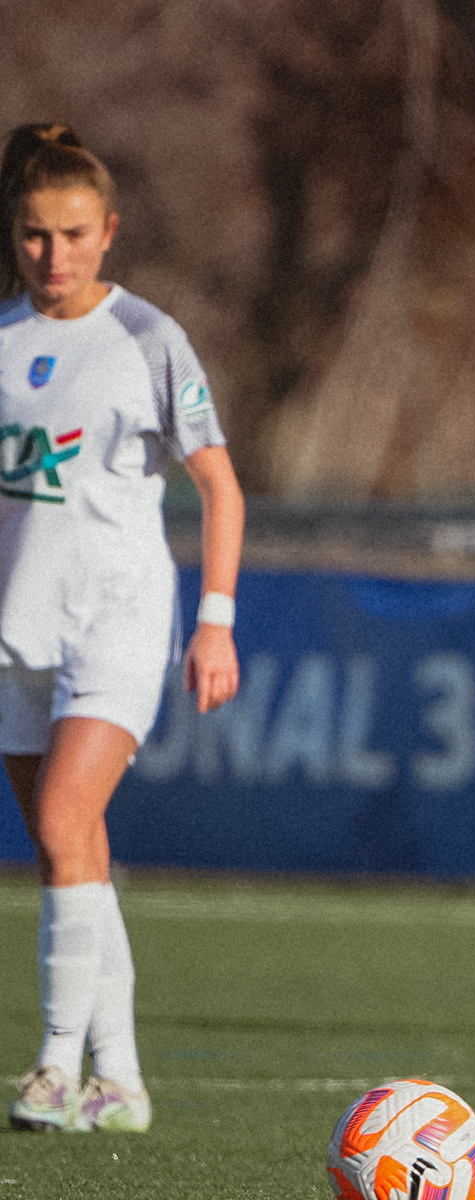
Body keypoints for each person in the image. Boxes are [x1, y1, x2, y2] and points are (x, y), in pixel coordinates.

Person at [1, 124, 243, 1134]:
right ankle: (124, 1081)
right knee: (76, 849)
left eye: (71, 235)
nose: (53, 257)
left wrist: (216, 623)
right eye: (32, 237)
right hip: (19, 633)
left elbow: (220, 490)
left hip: (120, 619)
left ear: (108, 232)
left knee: (60, 828)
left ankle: (55, 1070)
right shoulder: (5, 342)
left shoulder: (148, 339)